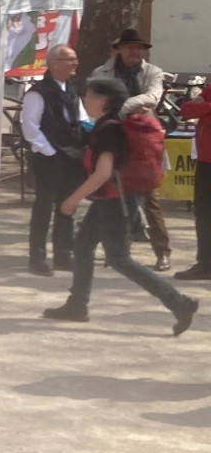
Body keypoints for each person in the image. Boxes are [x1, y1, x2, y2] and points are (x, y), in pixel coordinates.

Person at [42, 79, 198, 335]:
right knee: (83, 245)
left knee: (119, 259)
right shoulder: (107, 125)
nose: (84, 99)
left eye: (89, 95)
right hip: (111, 199)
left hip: (115, 201)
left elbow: (103, 172)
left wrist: (72, 199)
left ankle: (179, 303)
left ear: (103, 100)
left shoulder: (109, 130)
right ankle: (77, 305)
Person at [90, 29, 172, 271]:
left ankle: (162, 253)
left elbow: (153, 97)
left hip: (143, 142)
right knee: (113, 197)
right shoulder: (101, 73)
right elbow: (97, 103)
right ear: (119, 49)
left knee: (150, 199)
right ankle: (117, 251)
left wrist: (123, 106)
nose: (135, 52)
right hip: (113, 140)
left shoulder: (153, 72)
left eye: (140, 48)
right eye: (130, 47)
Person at [23, 45, 86, 275]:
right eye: (70, 60)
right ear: (54, 63)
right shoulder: (38, 92)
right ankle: (37, 258)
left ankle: (63, 254)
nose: (75, 64)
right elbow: (30, 128)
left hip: (72, 156)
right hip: (48, 157)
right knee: (44, 208)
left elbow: (82, 119)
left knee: (67, 207)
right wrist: (51, 152)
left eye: (75, 59)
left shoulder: (72, 88)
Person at [173, 86, 211, 281]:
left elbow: (196, 108)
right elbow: (187, 110)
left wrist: (203, 108)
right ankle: (206, 263)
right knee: (204, 214)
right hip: (206, 161)